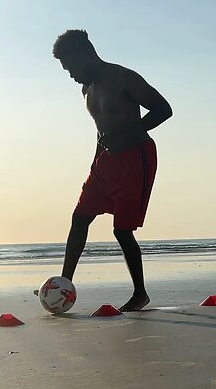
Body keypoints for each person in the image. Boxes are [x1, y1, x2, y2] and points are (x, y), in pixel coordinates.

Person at [52, 29, 173, 312]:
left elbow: (163, 109)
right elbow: (101, 130)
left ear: (86, 54)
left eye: (71, 67)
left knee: (122, 230)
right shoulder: (87, 90)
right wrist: (96, 162)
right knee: (79, 218)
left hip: (136, 157)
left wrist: (127, 133)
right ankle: (63, 284)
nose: (70, 75)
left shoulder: (122, 77)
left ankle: (140, 294)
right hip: (105, 160)